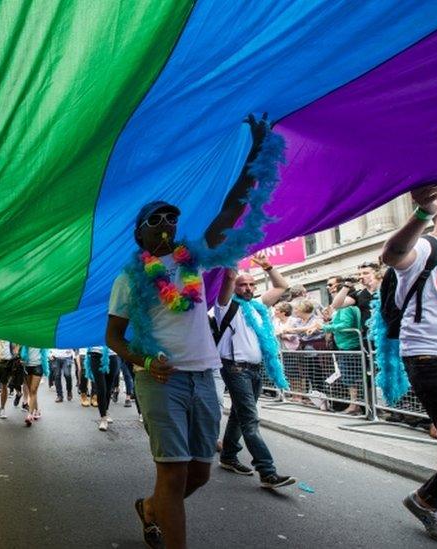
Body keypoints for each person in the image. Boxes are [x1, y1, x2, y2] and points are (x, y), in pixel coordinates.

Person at [106, 114, 279, 549]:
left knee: (200, 472)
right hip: (161, 380)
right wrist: (145, 361)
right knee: (173, 471)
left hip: (206, 376)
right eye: (157, 219)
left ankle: (151, 508)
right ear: (141, 233)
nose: (167, 223)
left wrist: (254, 156)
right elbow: (114, 338)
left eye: (171, 218)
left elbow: (232, 210)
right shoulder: (129, 280)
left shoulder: (191, 262)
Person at [383, 182, 437, 546]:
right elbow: (393, 254)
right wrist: (421, 213)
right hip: (432, 355)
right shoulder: (428, 246)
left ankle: (426, 498)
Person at [213, 254, 296, 488]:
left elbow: (282, 286)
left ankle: (228, 456)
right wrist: (233, 253)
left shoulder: (258, 306)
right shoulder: (225, 306)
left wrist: (268, 267)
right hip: (235, 369)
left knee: (240, 416)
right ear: (235, 287)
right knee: (250, 420)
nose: (247, 288)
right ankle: (267, 471)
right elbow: (229, 276)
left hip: (255, 371)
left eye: (251, 284)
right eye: (243, 284)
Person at [321, 277, 364, 415]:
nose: (333, 294)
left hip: (349, 345)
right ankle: (356, 404)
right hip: (347, 344)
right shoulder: (346, 308)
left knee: (350, 376)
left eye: (335, 292)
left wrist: (325, 327)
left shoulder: (347, 308)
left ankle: (354, 405)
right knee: (350, 375)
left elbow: (345, 325)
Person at [84, 346, 118, 432]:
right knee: (101, 388)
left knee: (109, 388)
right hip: (96, 355)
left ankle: (105, 411)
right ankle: (103, 418)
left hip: (112, 355)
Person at [20, 346, 47, 426]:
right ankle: (37, 410)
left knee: (33, 390)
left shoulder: (41, 337)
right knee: (31, 392)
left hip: (38, 365)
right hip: (27, 366)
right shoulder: (26, 337)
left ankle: (30, 415)